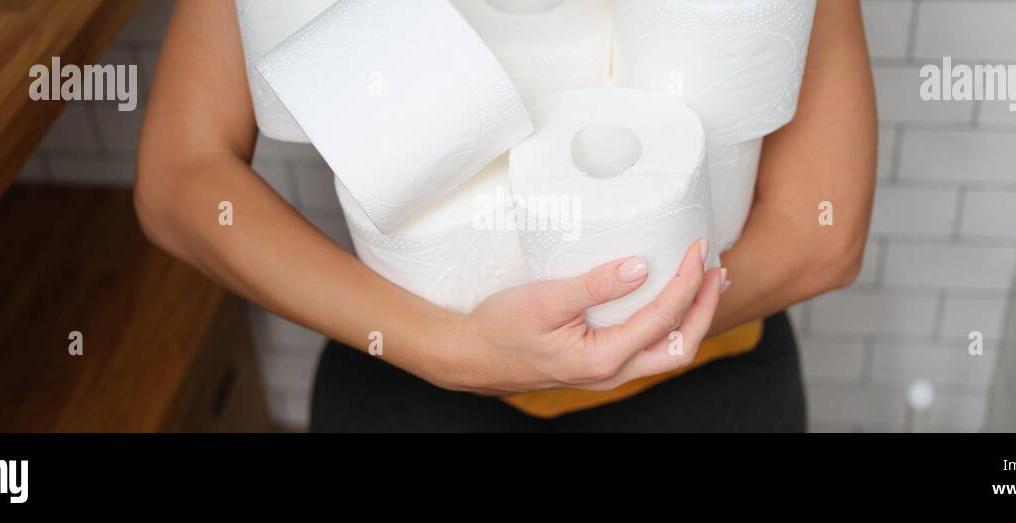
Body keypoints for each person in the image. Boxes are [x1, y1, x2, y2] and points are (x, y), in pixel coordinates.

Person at [135, 0, 876, 432]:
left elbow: (824, 229)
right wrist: (449, 348)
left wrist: (627, 332)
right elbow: (180, 178)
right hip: (409, 360)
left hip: (705, 363)